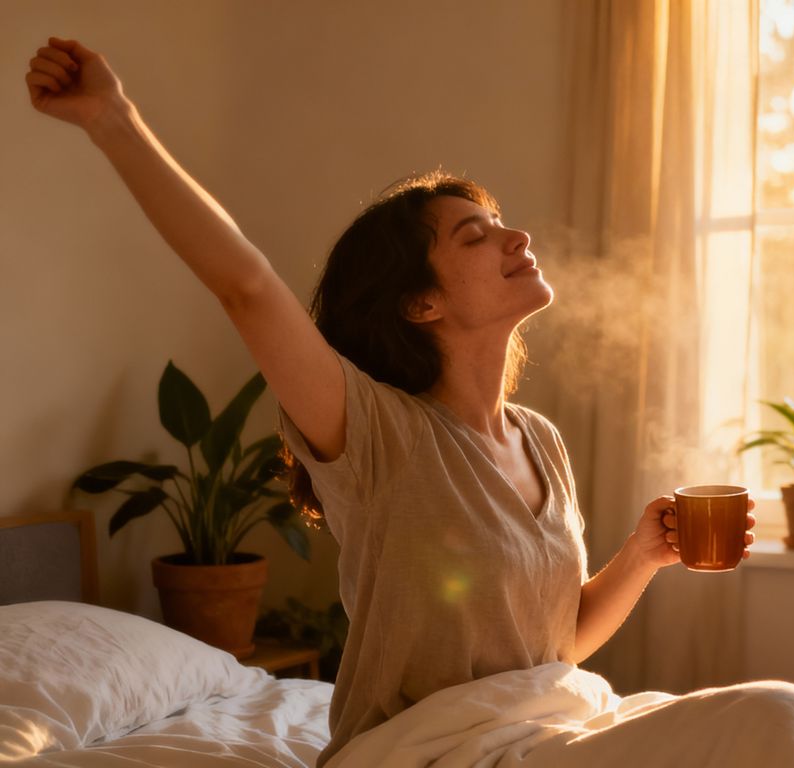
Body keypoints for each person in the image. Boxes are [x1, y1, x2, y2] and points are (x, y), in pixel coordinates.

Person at [25, 37, 755, 766]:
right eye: (478, 235)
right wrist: (111, 118)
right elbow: (245, 288)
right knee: (767, 723)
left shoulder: (540, 440)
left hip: (538, 731)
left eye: (500, 222)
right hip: (427, 754)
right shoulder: (376, 433)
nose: (516, 236)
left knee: (772, 720)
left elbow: (551, 648)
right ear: (419, 304)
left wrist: (640, 557)